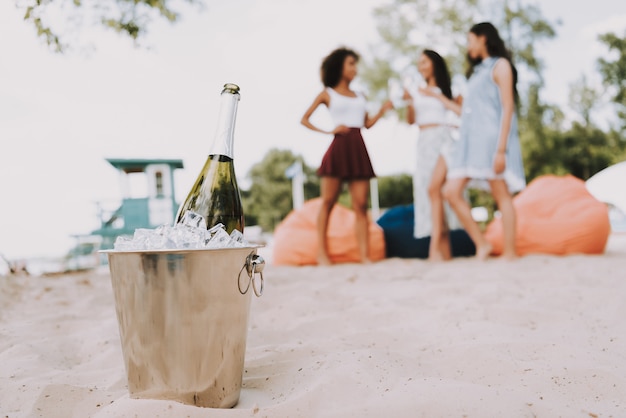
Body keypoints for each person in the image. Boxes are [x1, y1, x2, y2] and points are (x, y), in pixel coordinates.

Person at [300, 47, 393, 265]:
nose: (355, 69)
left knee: (361, 205)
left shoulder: (361, 95)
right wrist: (328, 131)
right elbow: (304, 119)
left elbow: (367, 124)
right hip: (338, 147)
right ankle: (322, 254)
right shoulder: (327, 93)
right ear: (340, 66)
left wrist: (382, 110)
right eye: (351, 63)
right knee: (328, 202)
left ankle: (364, 256)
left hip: (358, 147)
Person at [443, 22, 526, 260]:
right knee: (451, 191)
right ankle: (482, 244)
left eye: (470, 40)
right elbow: (471, 112)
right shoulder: (478, 72)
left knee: (501, 194)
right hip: (470, 142)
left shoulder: (501, 66)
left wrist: (501, 150)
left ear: (483, 38)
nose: (468, 46)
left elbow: (508, 107)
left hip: (490, 141)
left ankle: (511, 252)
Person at [401, 49, 465, 261]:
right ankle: (444, 254)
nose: (421, 66)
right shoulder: (416, 91)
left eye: (424, 62)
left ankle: (433, 249)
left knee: (435, 189)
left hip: (443, 140)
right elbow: (410, 120)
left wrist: (436, 95)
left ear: (434, 64)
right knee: (432, 195)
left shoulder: (450, 89)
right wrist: (410, 101)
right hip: (424, 142)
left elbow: (460, 112)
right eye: (419, 63)